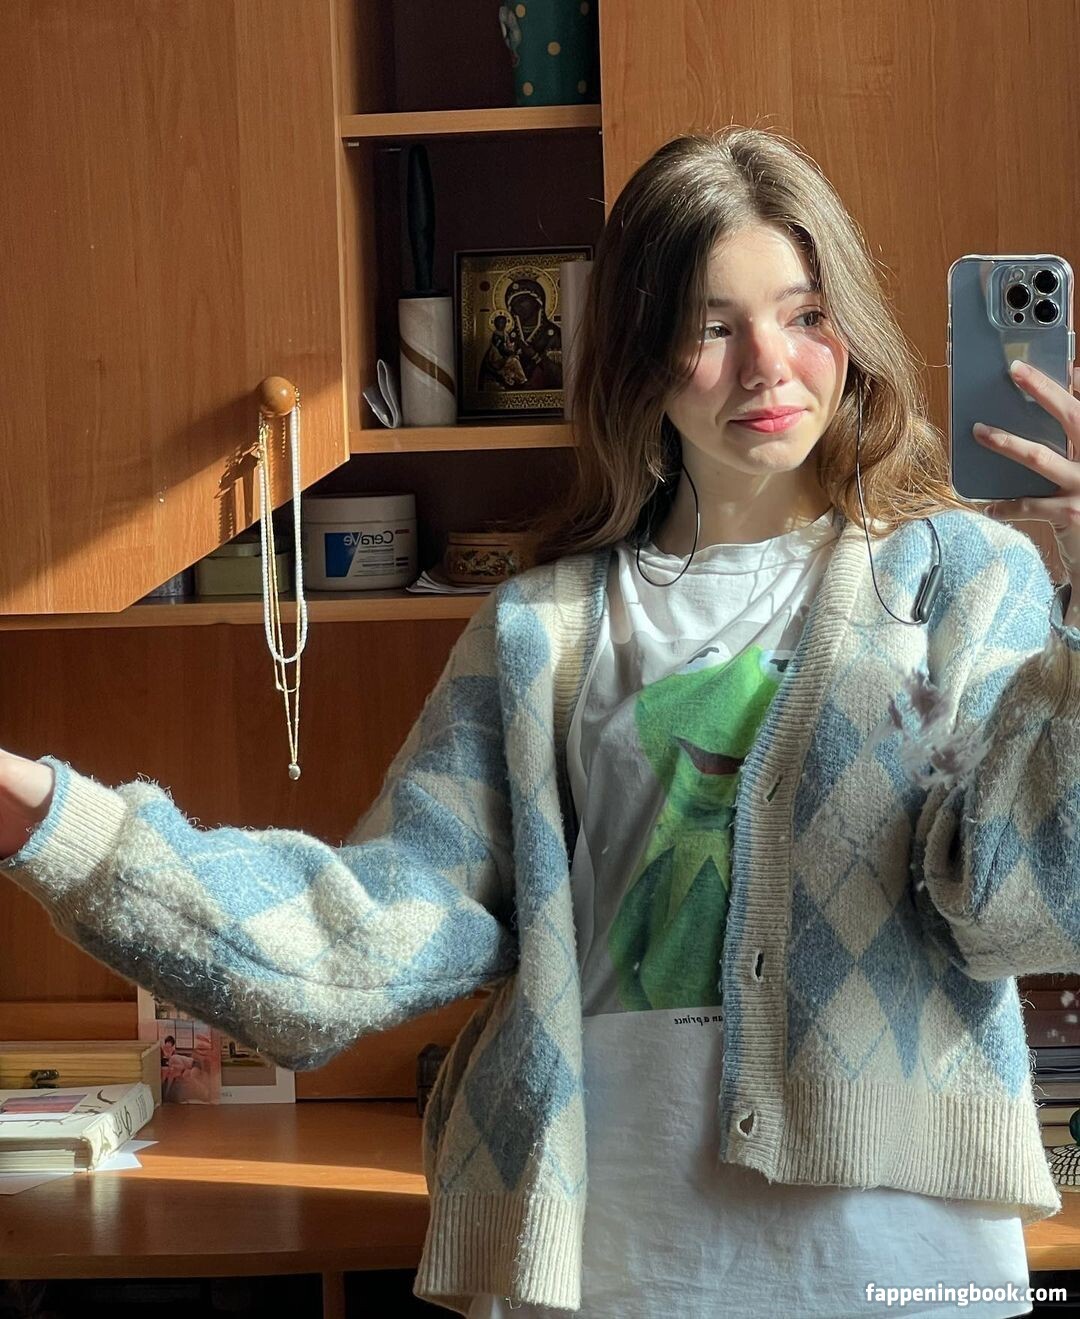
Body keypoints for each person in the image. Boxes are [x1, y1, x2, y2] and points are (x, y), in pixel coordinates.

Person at [2, 126, 1080, 1318]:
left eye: (806, 313)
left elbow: (1026, 908)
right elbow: (358, 937)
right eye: (713, 326)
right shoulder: (541, 630)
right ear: (642, 355)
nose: (769, 366)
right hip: (611, 1259)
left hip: (901, 1263)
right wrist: (51, 819)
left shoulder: (961, 579)